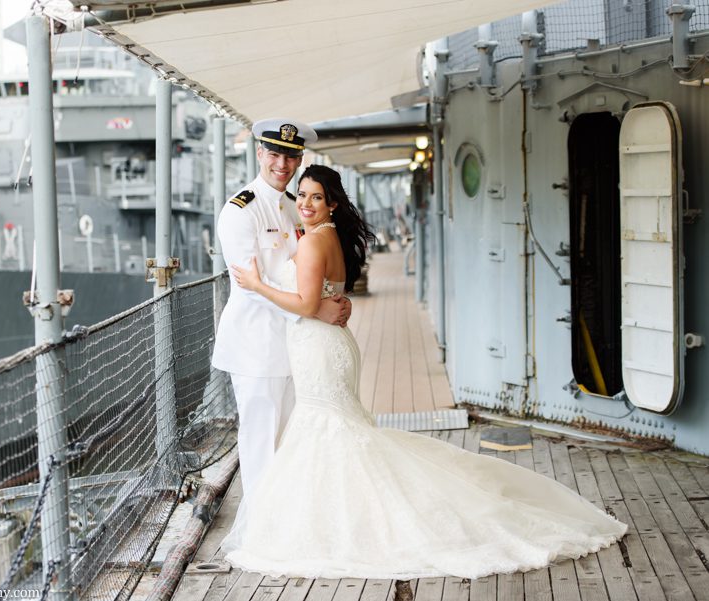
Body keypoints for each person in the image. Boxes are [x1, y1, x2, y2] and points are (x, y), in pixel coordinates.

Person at [222, 164, 627, 580]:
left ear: (333, 204)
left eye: (316, 197)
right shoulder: (330, 237)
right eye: (302, 195)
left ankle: (338, 526)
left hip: (317, 346)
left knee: (329, 430)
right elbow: (328, 295)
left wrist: (256, 285)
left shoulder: (311, 244)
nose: (305, 203)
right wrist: (328, 303)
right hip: (330, 345)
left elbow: (308, 305)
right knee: (338, 431)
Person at [210, 119, 351, 501]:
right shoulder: (241, 211)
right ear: (259, 153)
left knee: (292, 439)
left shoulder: (295, 206)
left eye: (291, 156)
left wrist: (333, 297)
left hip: (298, 345)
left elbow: (311, 269)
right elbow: (249, 284)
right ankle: (259, 529)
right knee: (261, 441)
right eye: (274, 154)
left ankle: (287, 523)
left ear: (300, 157)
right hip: (257, 345)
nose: (282, 164)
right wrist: (314, 309)